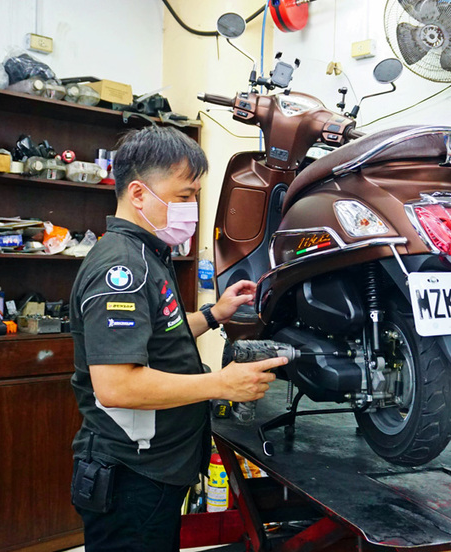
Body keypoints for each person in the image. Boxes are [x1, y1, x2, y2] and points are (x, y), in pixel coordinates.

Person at [69, 126, 286, 552]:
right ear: (138, 194)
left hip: (157, 468)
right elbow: (116, 385)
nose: (192, 208)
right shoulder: (122, 269)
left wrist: (214, 313)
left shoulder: (148, 255)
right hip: (132, 474)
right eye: (185, 196)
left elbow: (159, 333)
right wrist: (220, 384)